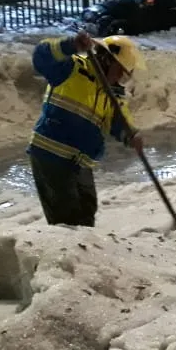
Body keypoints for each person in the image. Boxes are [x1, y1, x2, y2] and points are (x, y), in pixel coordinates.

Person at [28, 30, 146, 227]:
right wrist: (70, 45)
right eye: (120, 70)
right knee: (67, 219)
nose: (120, 78)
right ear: (107, 60)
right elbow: (41, 57)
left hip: (80, 161)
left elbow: (118, 120)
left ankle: (83, 247)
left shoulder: (112, 93)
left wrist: (130, 135)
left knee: (87, 210)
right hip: (51, 156)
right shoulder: (72, 68)